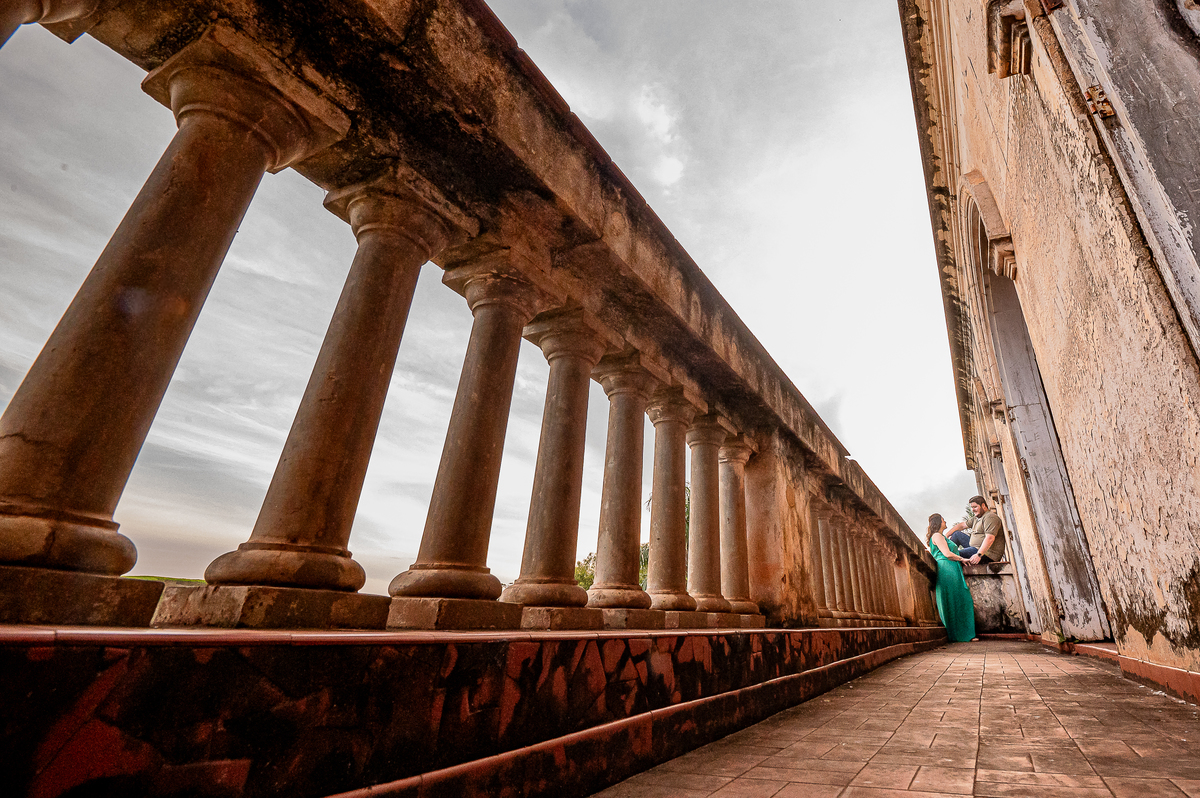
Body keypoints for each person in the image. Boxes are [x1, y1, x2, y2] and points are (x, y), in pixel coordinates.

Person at [926, 512, 977, 643]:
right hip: (947, 568)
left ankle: (962, 633)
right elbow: (947, 554)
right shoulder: (937, 535)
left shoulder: (940, 536)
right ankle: (959, 634)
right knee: (956, 599)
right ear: (938, 523)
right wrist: (962, 559)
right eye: (943, 520)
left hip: (952, 568)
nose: (945, 521)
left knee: (959, 599)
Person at [946, 495, 1007, 565]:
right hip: (975, 548)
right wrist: (946, 536)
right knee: (957, 534)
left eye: (975, 507)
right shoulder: (976, 518)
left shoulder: (990, 517)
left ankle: (946, 556)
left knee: (956, 555)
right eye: (972, 507)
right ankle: (943, 553)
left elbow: (990, 538)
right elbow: (962, 525)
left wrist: (979, 555)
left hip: (987, 554)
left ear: (983, 506)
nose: (973, 510)